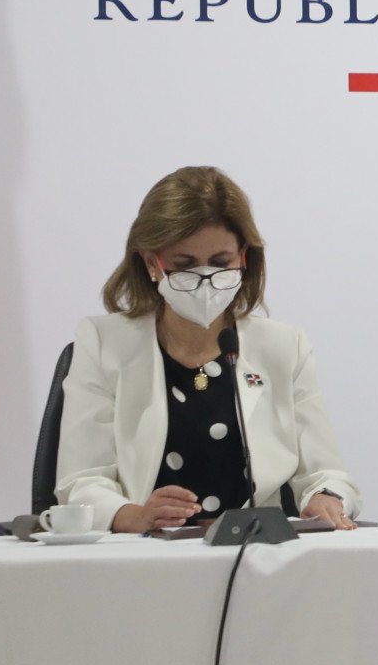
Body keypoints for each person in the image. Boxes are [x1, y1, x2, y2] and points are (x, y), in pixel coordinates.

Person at [55, 166, 361, 533]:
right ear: (151, 262)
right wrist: (134, 516)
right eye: (184, 265)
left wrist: (326, 497)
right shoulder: (105, 343)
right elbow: (81, 483)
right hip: (144, 554)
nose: (205, 280)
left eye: (220, 262)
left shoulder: (284, 347)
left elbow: (325, 474)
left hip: (255, 553)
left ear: (243, 258)